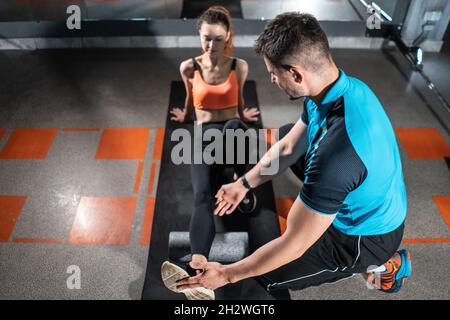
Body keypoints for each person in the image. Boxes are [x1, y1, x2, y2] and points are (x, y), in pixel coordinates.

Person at [176, 12, 412, 297]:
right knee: (290, 133)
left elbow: (294, 243)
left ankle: (384, 265)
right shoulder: (336, 90)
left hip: (363, 237)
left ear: (296, 73)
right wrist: (244, 184)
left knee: (263, 277)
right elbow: (289, 148)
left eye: (274, 73)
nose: (273, 80)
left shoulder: (337, 155)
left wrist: (227, 273)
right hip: (365, 189)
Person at [161, 6, 260, 300]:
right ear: (199, 36)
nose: (211, 45)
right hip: (204, 139)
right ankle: (200, 263)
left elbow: (240, 100)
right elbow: (191, 99)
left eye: (218, 39)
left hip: (232, 140)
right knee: (202, 197)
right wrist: (185, 116)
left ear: (227, 35)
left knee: (233, 124)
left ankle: (242, 181)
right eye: (206, 39)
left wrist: (245, 114)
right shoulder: (188, 66)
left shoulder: (238, 65)